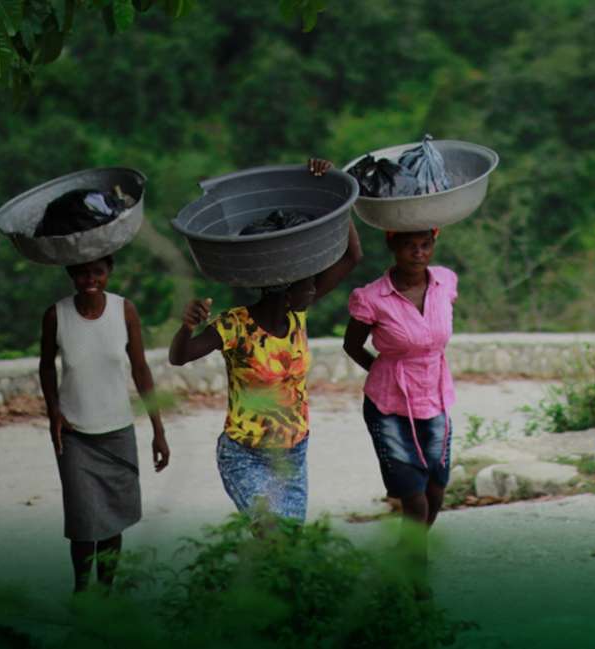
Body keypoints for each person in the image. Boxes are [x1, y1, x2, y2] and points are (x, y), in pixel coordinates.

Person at [168, 159, 362, 521]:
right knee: (270, 533)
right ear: (287, 289)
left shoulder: (297, 314)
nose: (315, 287)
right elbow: (179, 357)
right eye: (309, 280)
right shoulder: (235, 325)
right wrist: (186, 326)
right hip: (245, 453)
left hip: (293, 455)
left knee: (285, 552)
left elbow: (353, 255)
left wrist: (333, 198)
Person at [39, 254, 170, 593]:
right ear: (71, 274)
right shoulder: (56, 315)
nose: (90, 279)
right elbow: (45, 367)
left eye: (97, 271)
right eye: (82, 273)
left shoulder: (124, 310)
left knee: (113, 520)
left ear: (109, 271)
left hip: (117, 431)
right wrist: (54, 411)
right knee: (84, 525)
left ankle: (105, 593)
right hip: (74, 434)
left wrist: (158, 429)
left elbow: (141, 369)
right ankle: (81, 593)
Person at [342, 228, 456, 579]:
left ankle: (406, 553)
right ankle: (419, 586)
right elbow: (352, 345)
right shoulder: (372, 297)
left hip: (435, 397)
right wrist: (384, 371)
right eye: (409, 246)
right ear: (393, 247)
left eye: (425, 246)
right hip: (389, 405)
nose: (418, 253)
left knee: (436, 489)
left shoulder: (445, 282)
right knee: (415, 497)